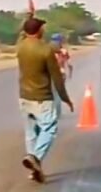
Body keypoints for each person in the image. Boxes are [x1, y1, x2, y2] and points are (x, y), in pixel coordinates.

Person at [16, 17, 73, 183]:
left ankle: (35, 168)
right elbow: (57, 78)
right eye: (42, 28)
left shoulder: (20, 47)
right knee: (49, 128)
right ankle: (36, 157)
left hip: (24, 97)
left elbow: (22, 32)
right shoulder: (45, 50)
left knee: (31, 133)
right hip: (42, 98)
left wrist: (30, 14)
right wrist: (65, 98)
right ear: (39, 30)